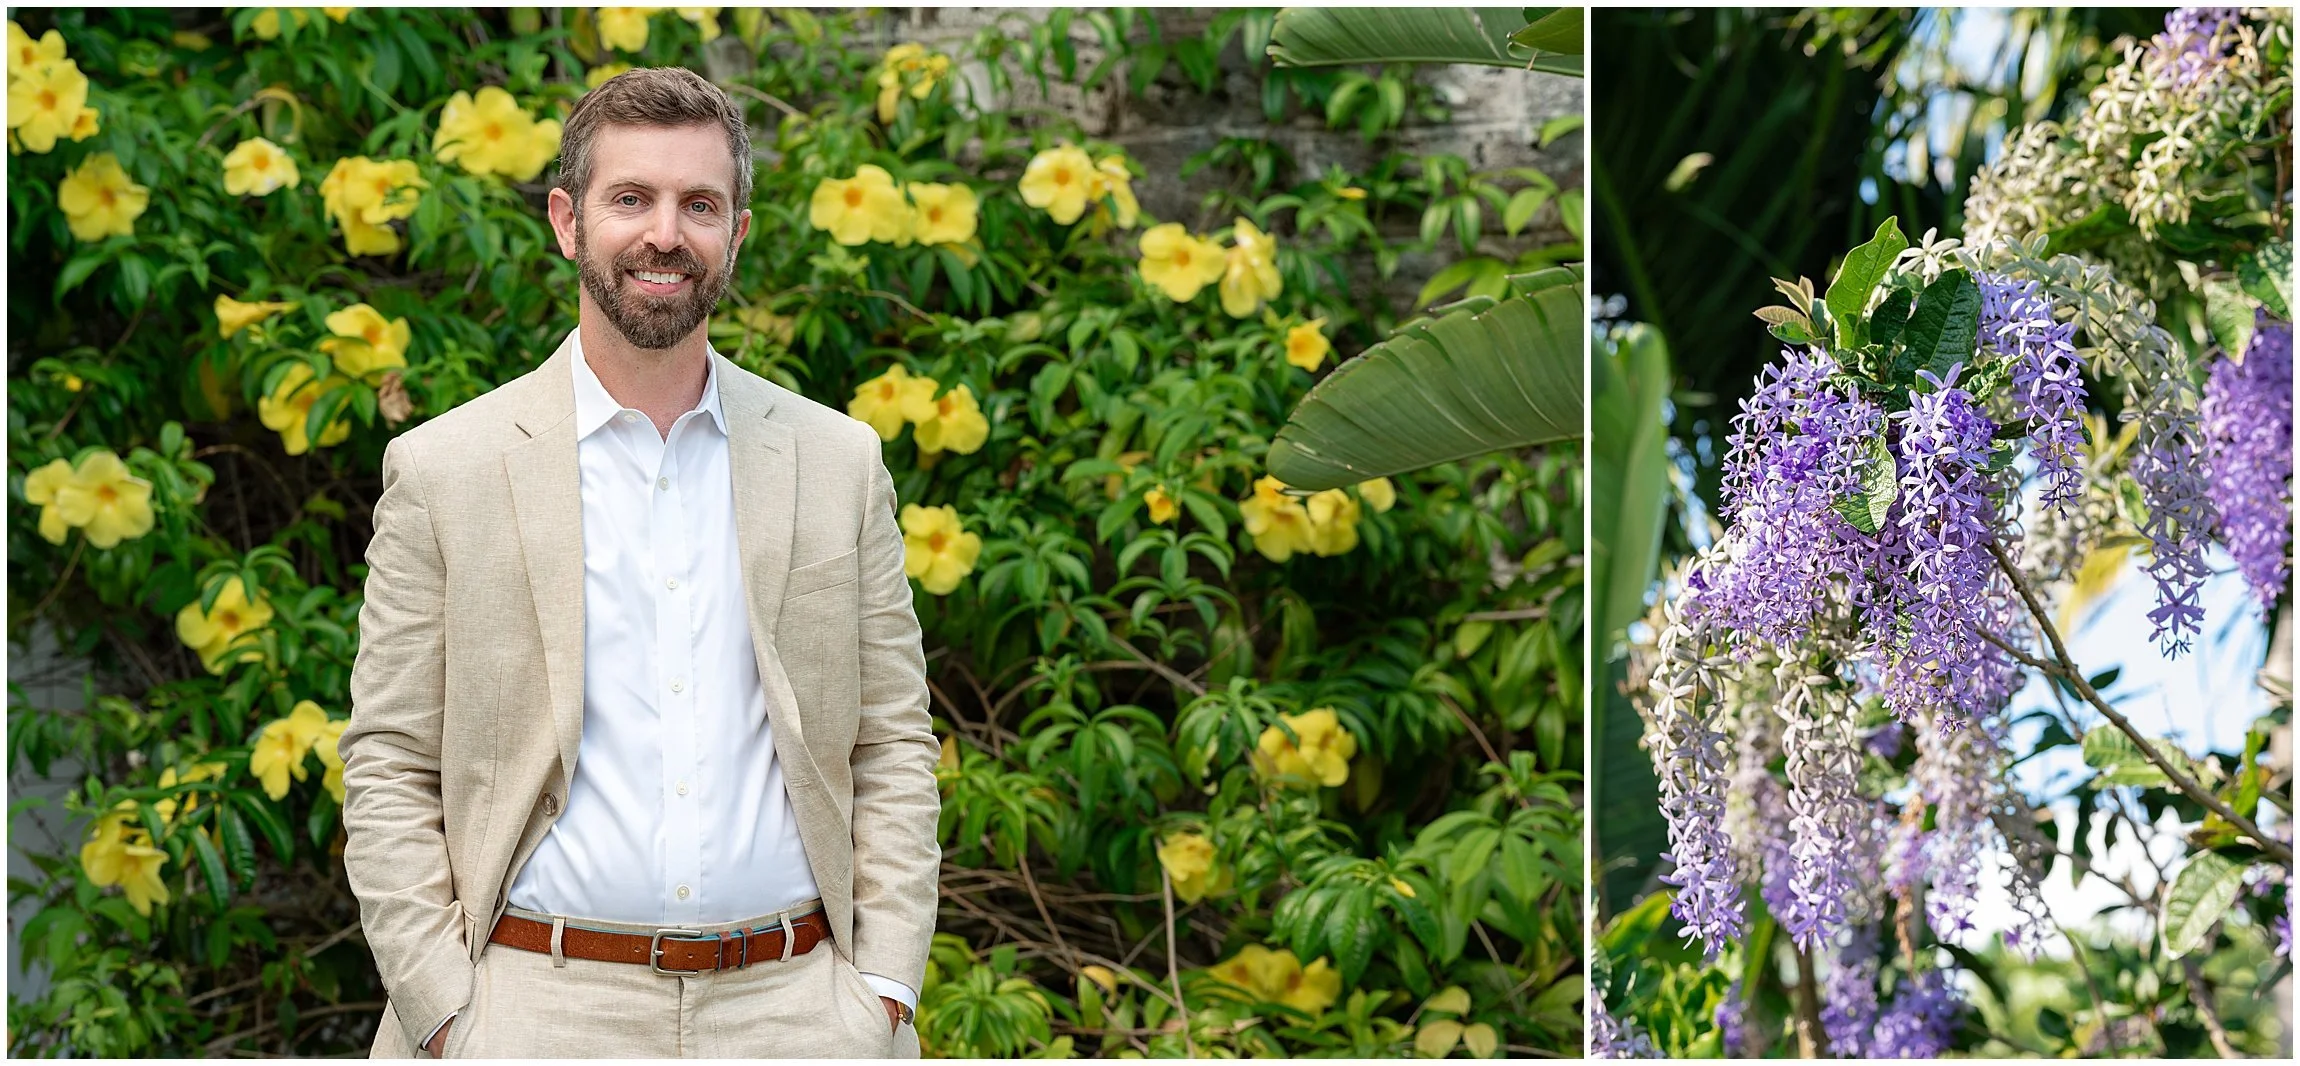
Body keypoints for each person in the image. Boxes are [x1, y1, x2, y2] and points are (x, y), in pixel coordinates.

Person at [339, 66, 941, 1058]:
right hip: (530, 1016)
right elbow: (390, 759)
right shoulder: (444, 469)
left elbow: (891, 743)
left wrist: (881, 987)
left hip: (798, 1017)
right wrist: (444, 1011)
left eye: (699, 204)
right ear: (568, 222)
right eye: (632, 199)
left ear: (736, 234)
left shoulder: (838, 462)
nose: (665, 233)